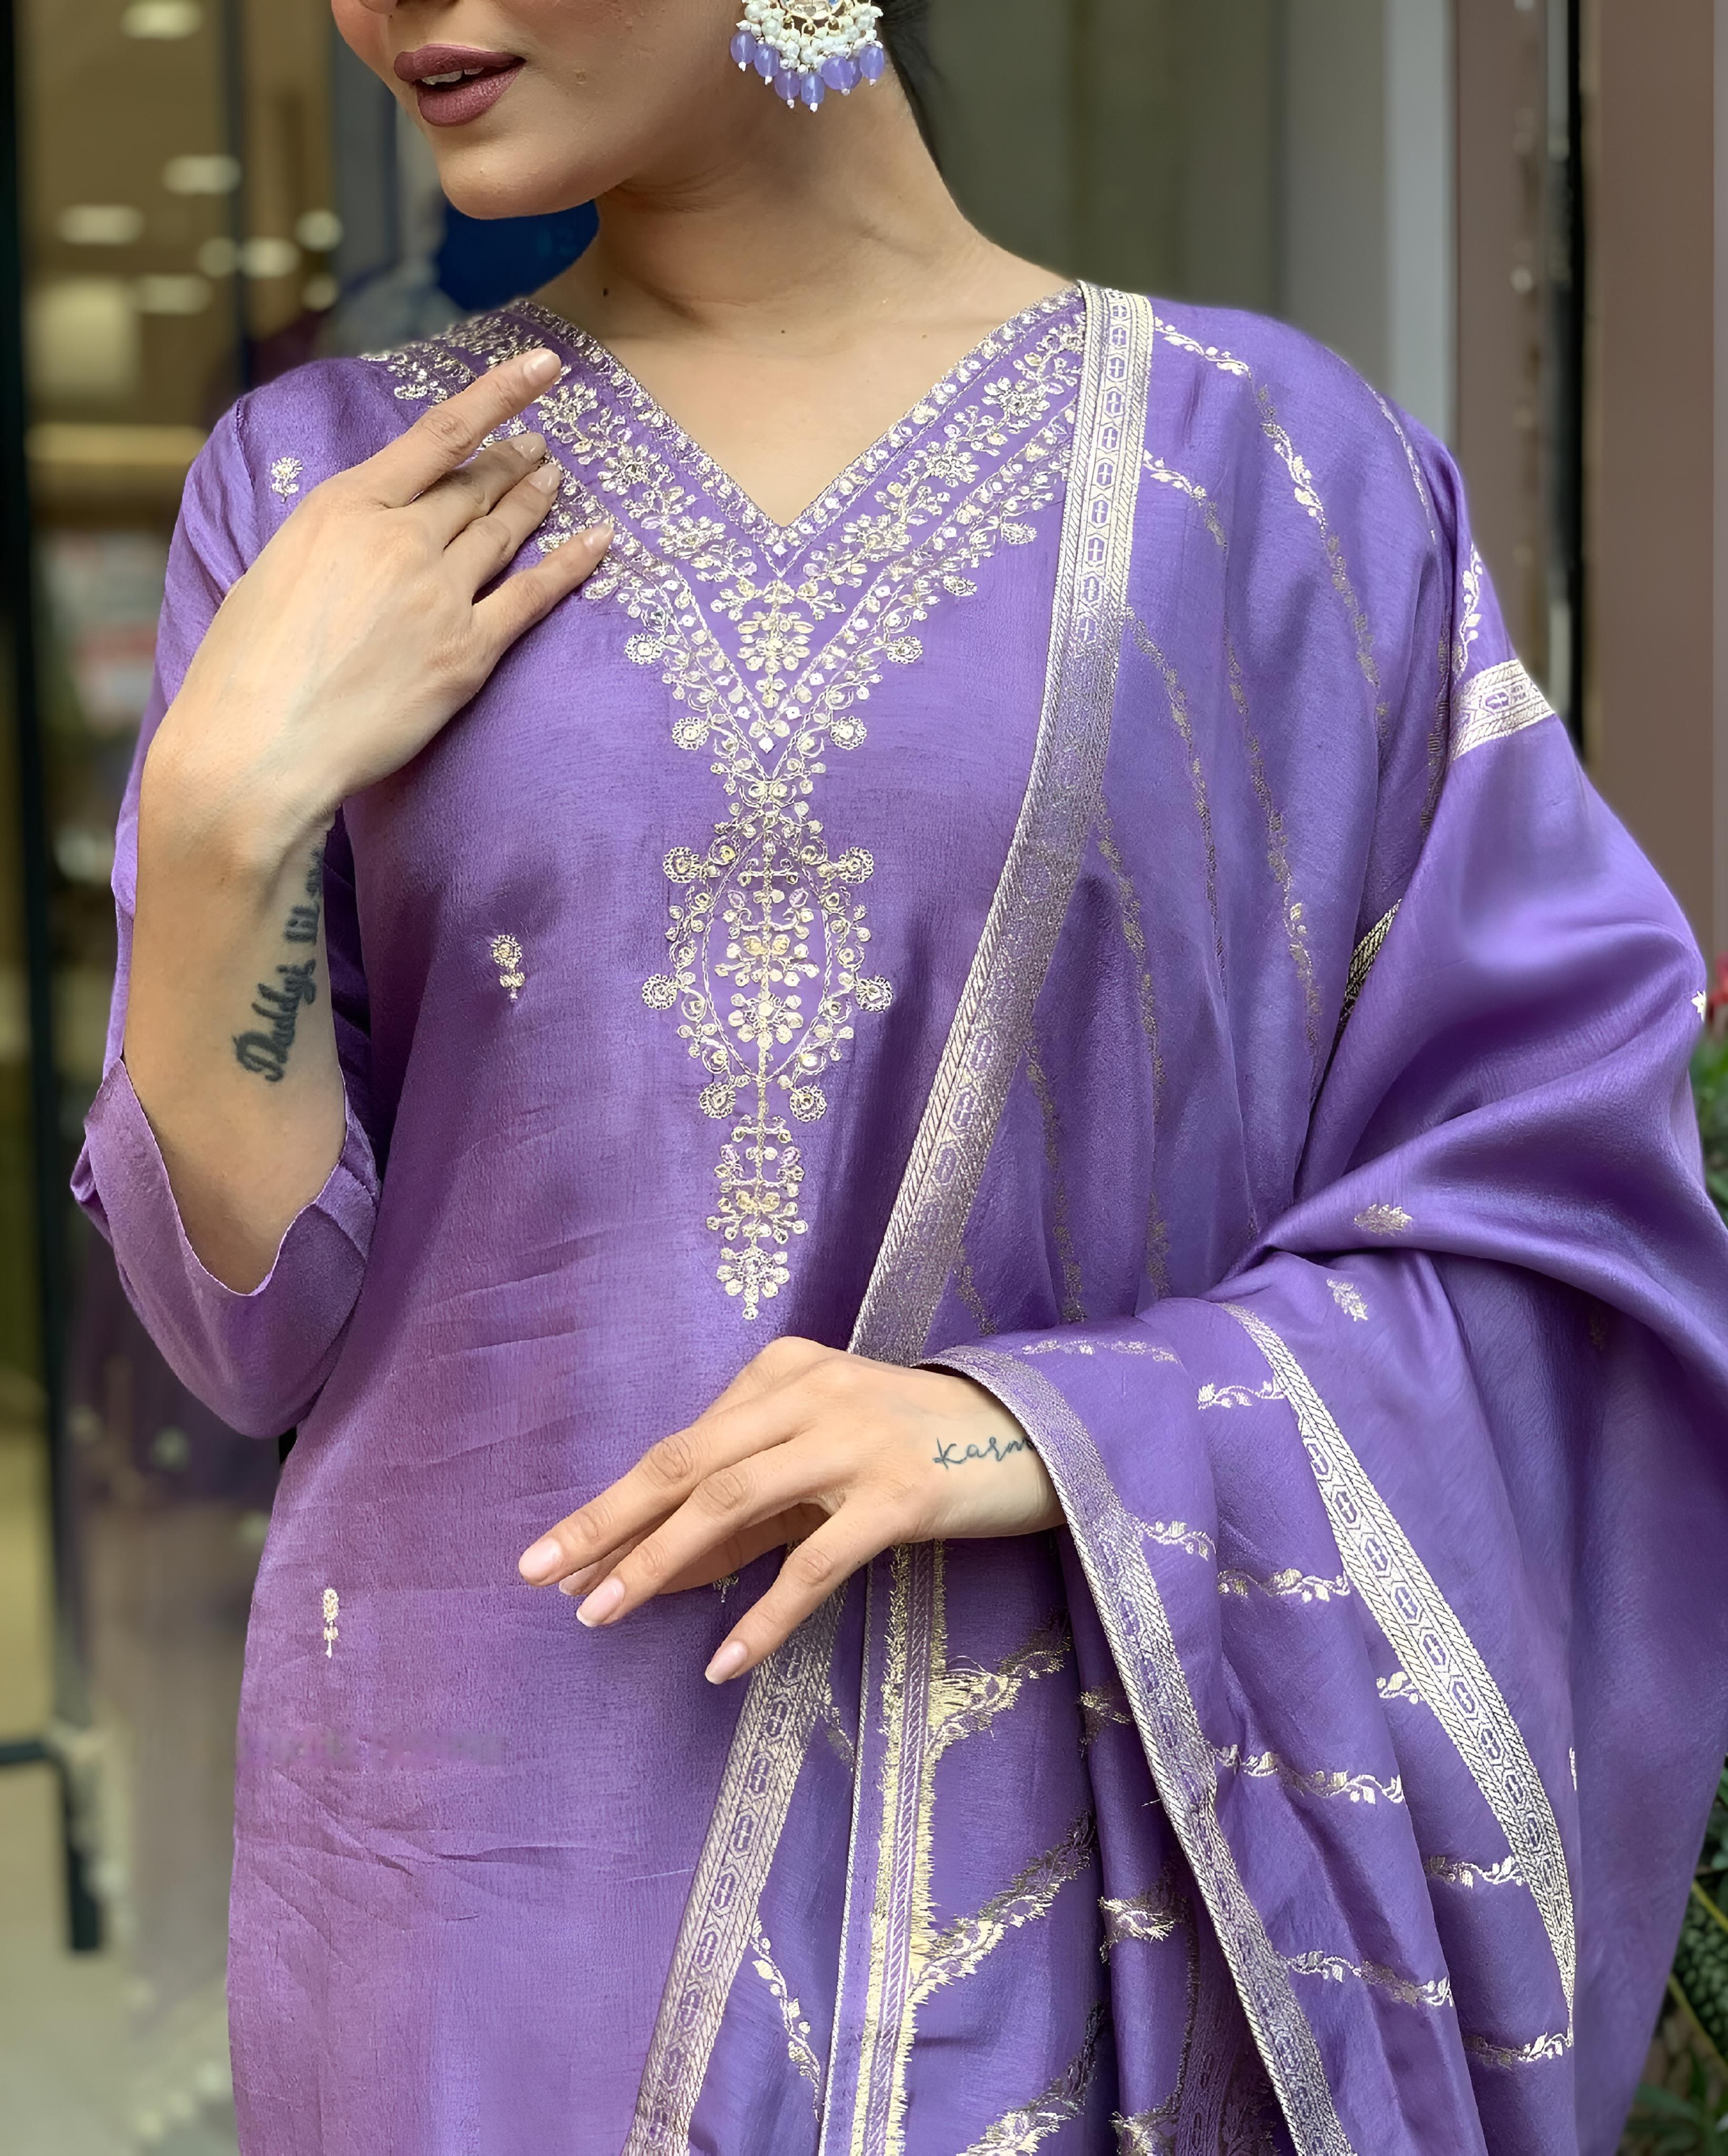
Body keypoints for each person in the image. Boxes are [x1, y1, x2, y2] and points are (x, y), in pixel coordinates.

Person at [72, 0, 1728, 2149]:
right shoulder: (326, 493)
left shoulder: (1275, 481)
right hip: (481, 1871)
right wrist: (215, 821)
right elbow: (251, 1331)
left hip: (1070, 1863)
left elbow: (1549, 1221)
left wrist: (1057, 1425)